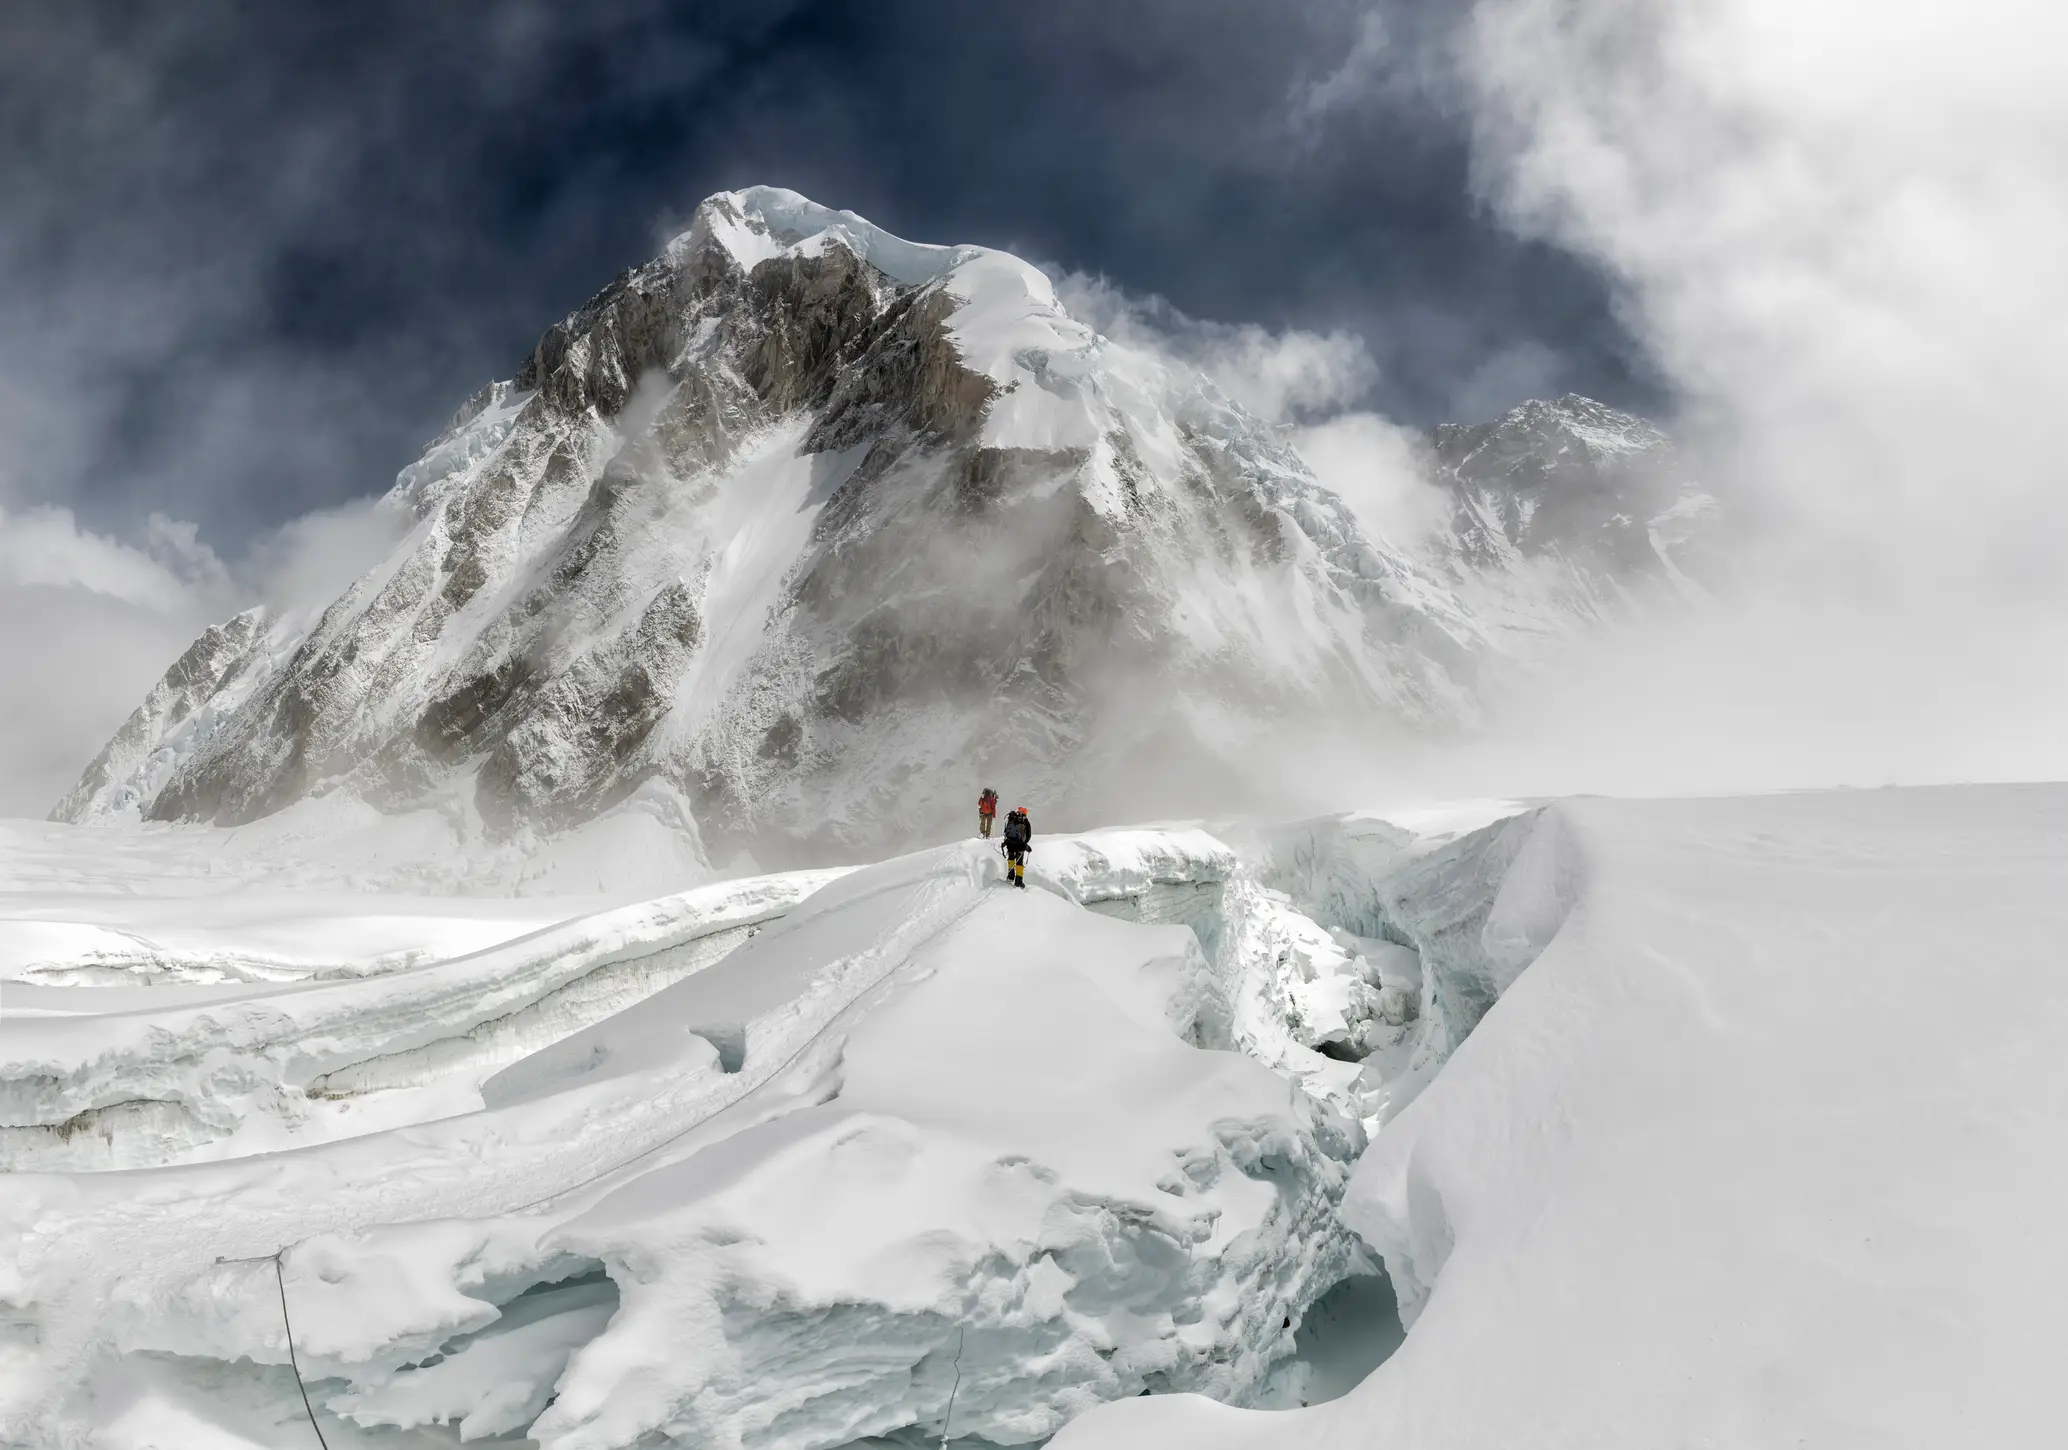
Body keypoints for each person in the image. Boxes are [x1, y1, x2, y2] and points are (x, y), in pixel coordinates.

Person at [1000, 805, 1032, 888]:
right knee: (1019, 862)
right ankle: (1018, 881)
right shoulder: (1026, 822)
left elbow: (1006, 831)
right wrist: (1024, 844)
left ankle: (1010, 876)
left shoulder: (1012, 819)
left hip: (1010, 843)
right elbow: (1028, 836)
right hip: (1020, 845)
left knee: (1011, 858)